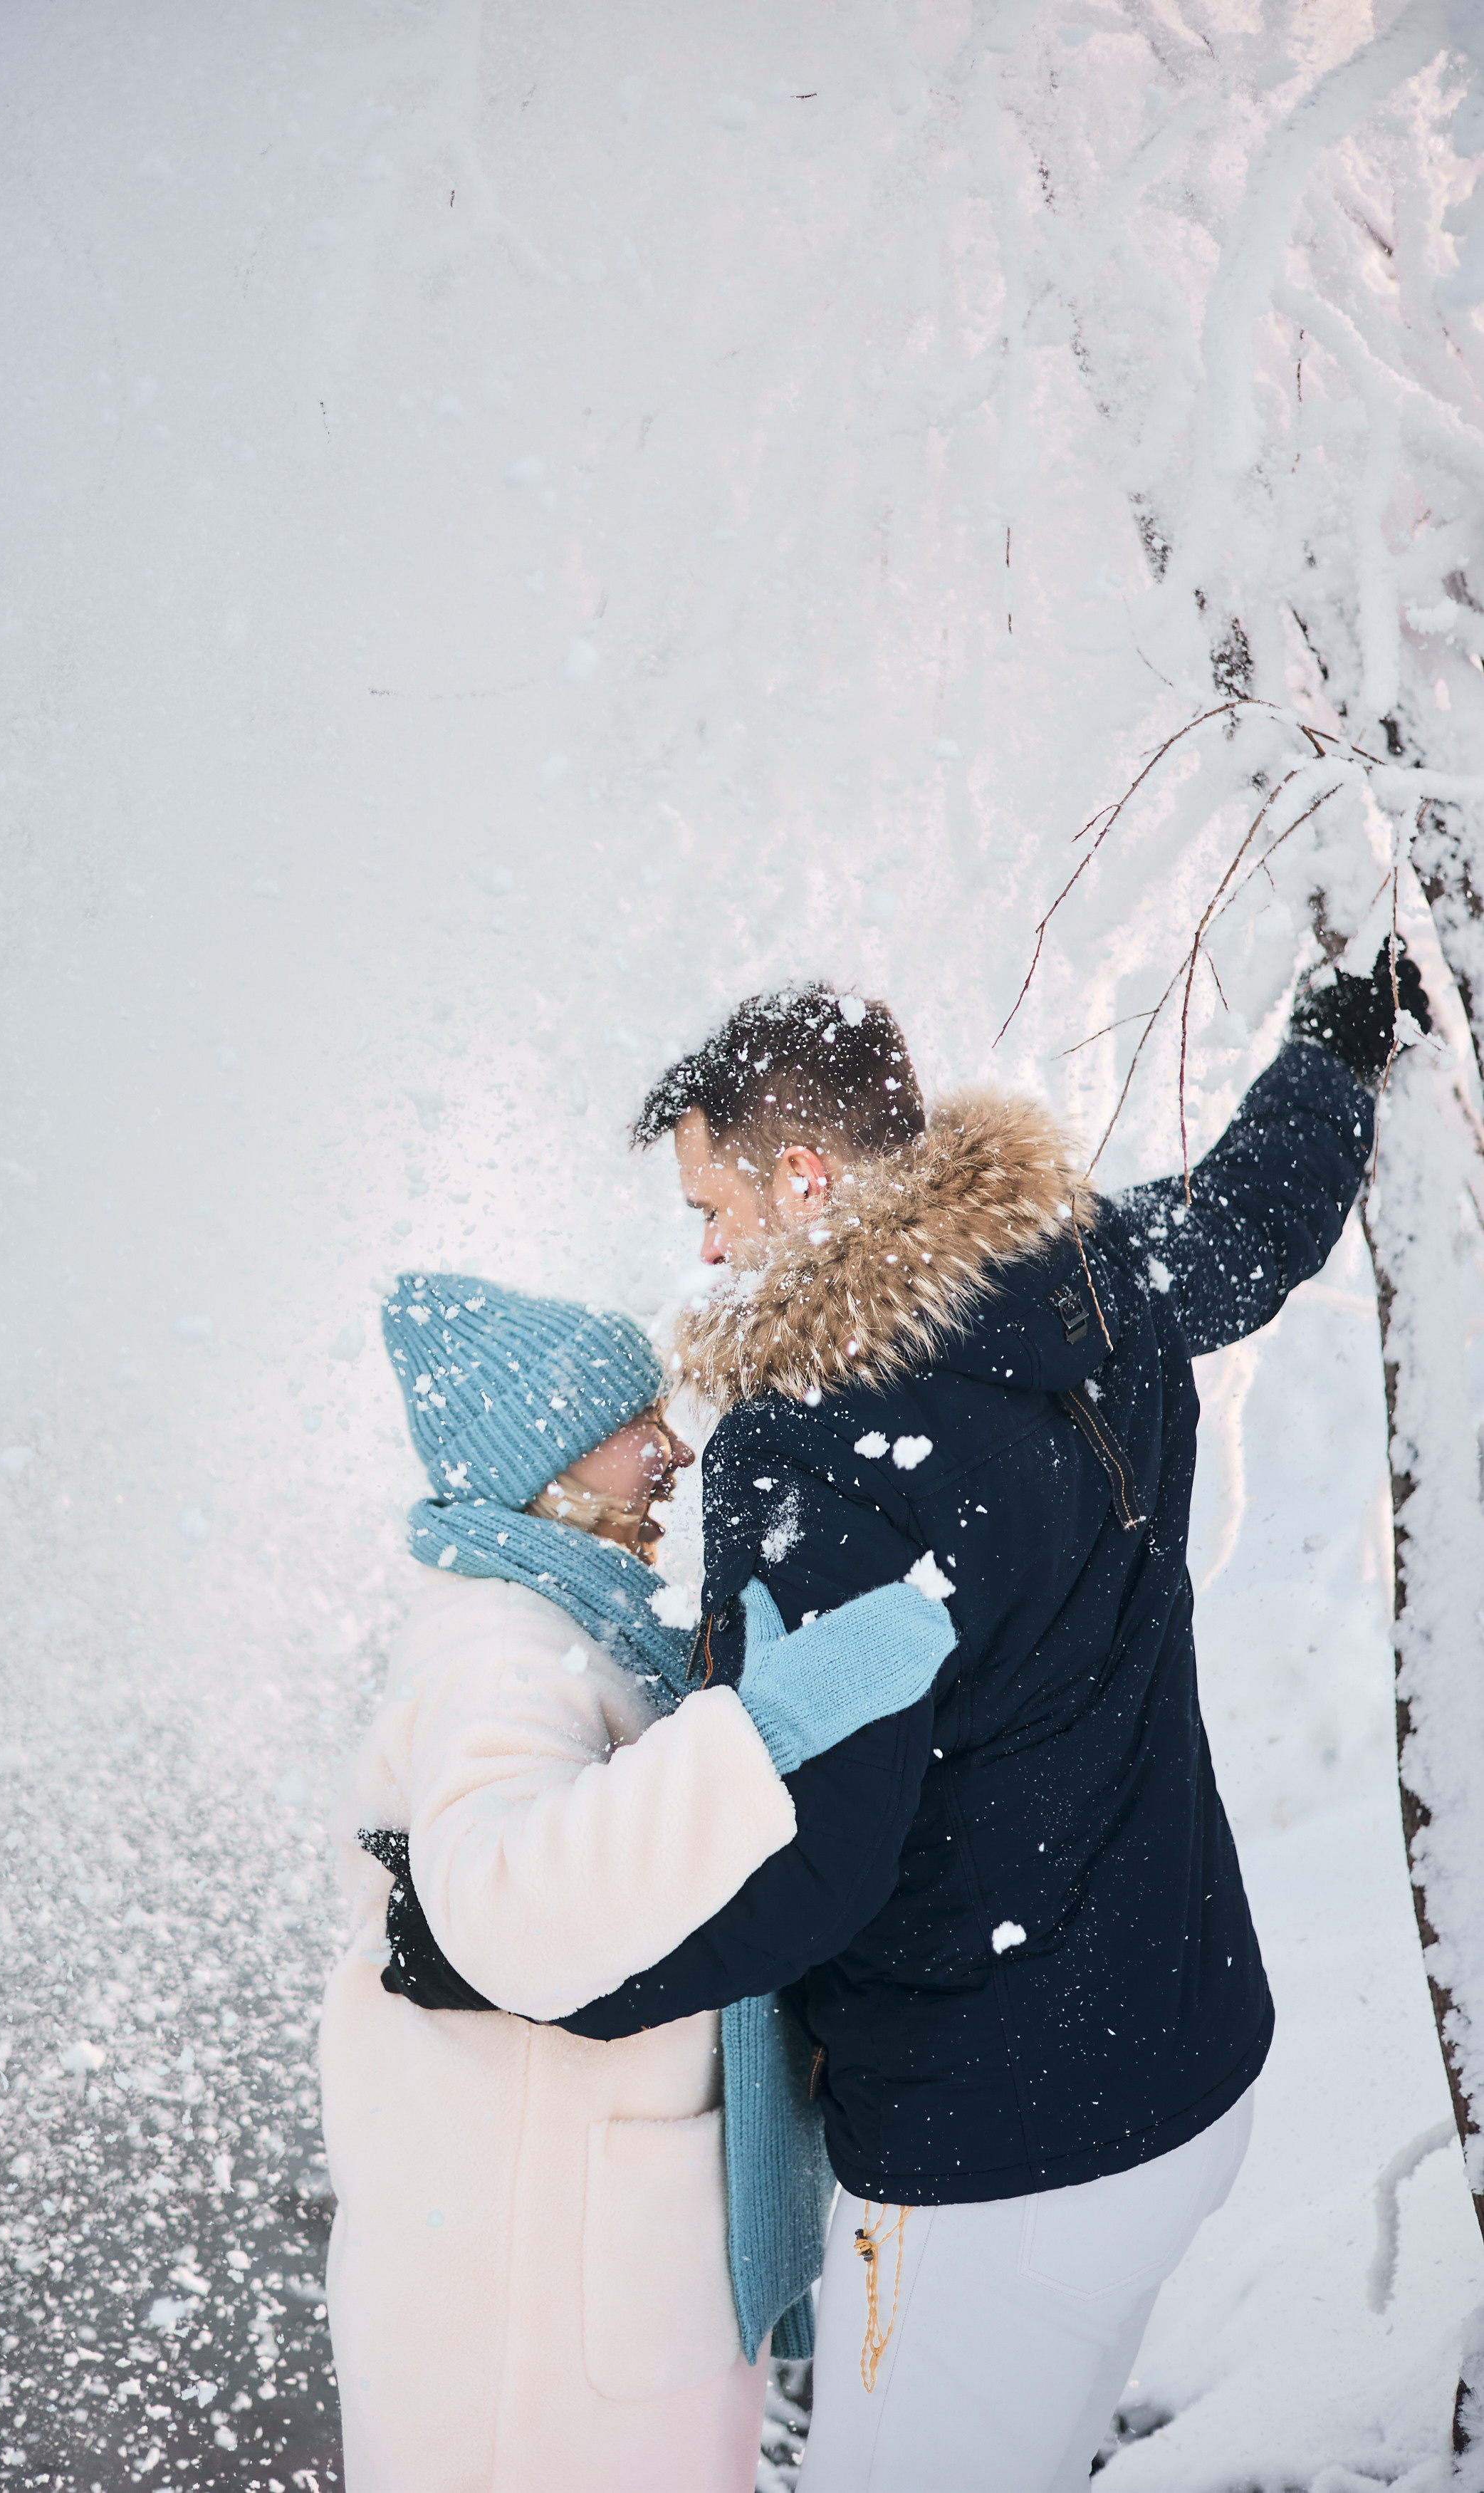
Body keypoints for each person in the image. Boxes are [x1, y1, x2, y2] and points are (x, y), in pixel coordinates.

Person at [386, 940, 1431, 2492]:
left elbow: (809, 1861)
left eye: (714, 1210)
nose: (713, 1256)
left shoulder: (808, 1453)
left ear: (804, 1176)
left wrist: (529, 1969)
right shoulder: (1089, 1275)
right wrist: (1335, 1052)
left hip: (995, 2163)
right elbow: (1250, 1225)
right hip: (1190, 2068)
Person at [318, 1274, 955, 2493]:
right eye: (629, 1427)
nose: (670, 1449)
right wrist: (760, 1729)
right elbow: (509, 1913)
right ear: (541, 1459)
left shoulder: (575, 1617)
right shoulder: (500, 1652)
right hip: (534, 2304)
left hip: (588, 2261)